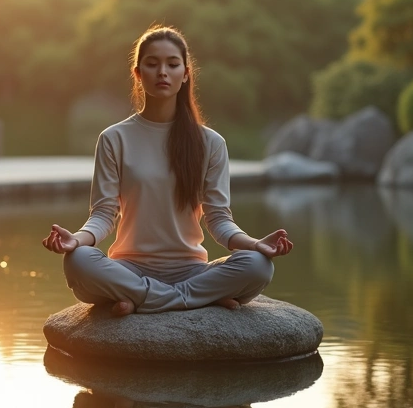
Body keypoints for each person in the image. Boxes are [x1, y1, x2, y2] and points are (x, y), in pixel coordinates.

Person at [42, 26, 291, 317]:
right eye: (152, 64)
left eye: (172, 64)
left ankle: (141, 300)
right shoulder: (114, 138)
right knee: (78, 261)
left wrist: (255, 243)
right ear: (137, 73)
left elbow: (219, 219)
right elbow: (103, 214)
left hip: (191, 271)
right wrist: (76, 239)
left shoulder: (210, 143)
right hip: (129, 268)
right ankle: (198, 299)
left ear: (185, 74)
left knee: (258, 265)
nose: (163, 72)